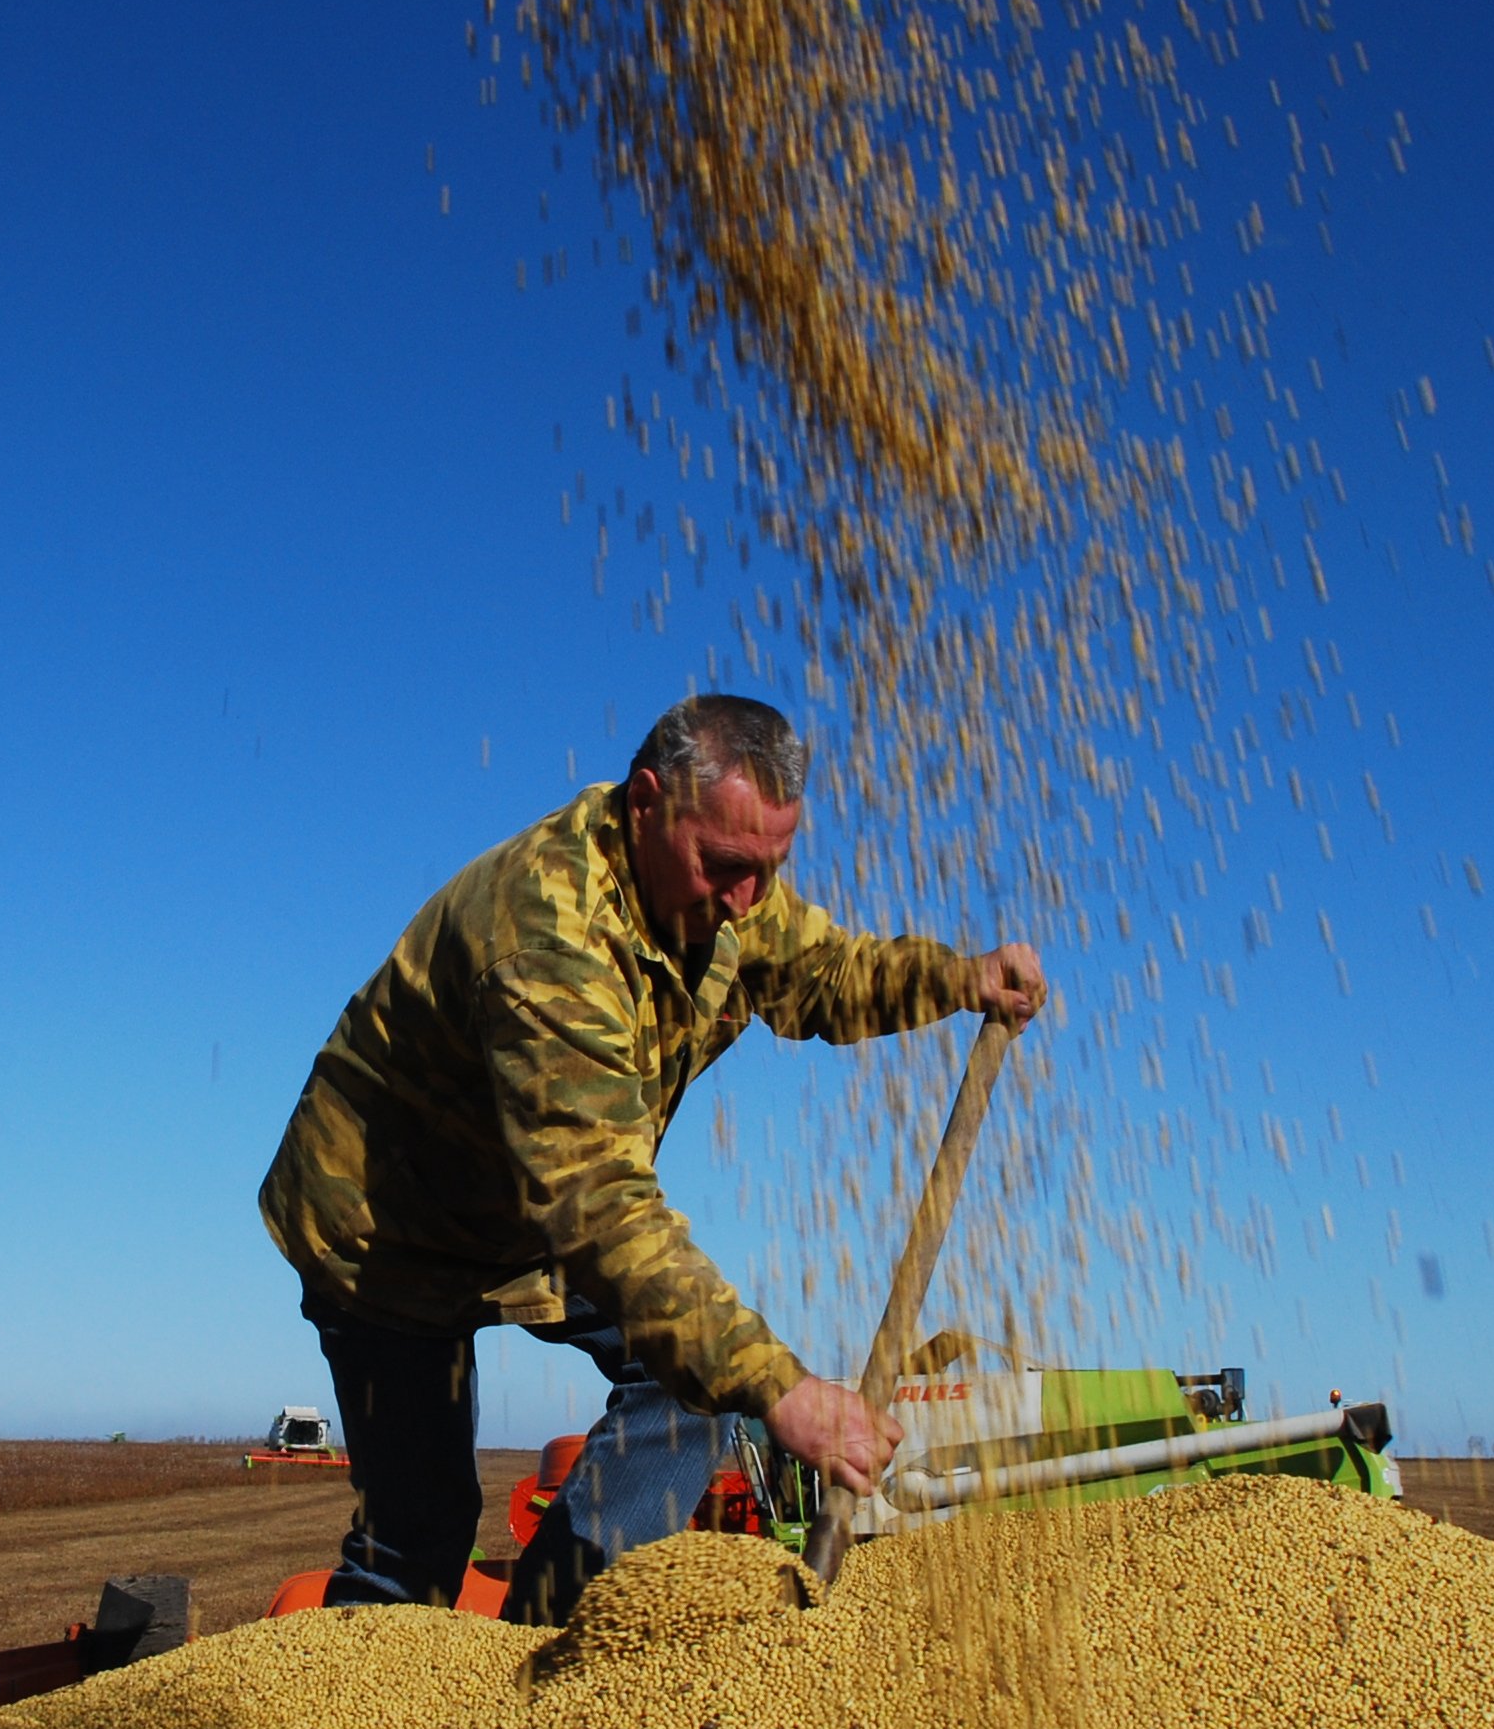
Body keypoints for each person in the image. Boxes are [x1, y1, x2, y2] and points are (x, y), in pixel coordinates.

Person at [257, 692, 1046, 1619]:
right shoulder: (546, 935)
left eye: (770, 869)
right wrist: (786, 1390)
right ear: (646, 802)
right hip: (389, 1226)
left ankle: (548, 1644)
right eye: (726, 867)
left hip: (530, 1206)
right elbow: (595, 1204)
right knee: (419, 1541)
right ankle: (340, 1727)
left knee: (695, 1386)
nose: (749, 900)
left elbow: (825, 976)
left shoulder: (728, 889)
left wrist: (957, 978)